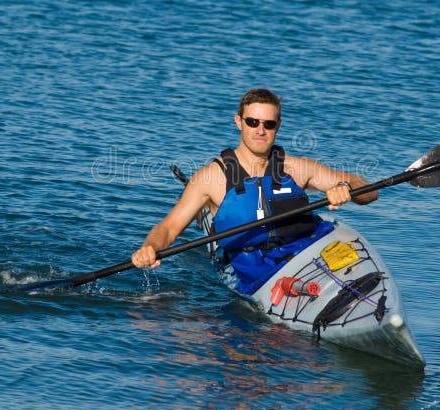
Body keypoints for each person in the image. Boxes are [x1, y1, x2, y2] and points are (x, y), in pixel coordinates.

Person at [131, 88, 378, 294]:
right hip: (247, 269)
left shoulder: (299, 168)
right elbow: (168, 228)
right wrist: (151, 247)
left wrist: (347, 189)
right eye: (252, 122)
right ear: (239, 122)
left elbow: (369, 192)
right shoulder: (211, 178)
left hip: (304, 254)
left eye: (268, 124)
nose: (260, 130)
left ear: (278, 126)